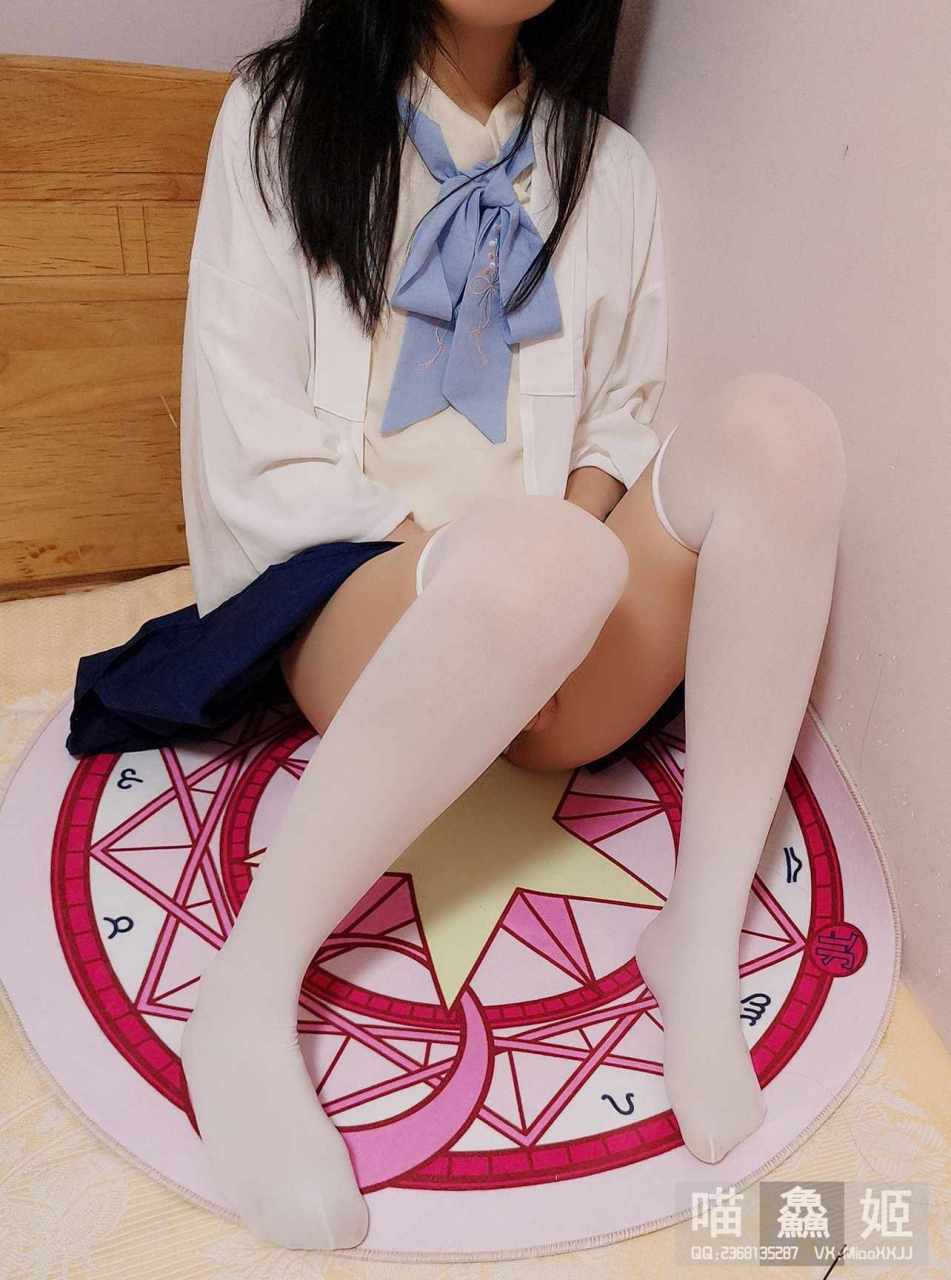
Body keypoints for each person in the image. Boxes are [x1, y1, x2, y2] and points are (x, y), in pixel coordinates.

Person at [65, 0, 847, 1253]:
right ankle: (244, 995)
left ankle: (696, 938)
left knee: (782, 436)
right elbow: (248, 434)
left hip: (559, 607)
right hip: (362, 593)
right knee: (535, 561)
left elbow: (623, 413)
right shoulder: (279, 115)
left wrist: (567, 575)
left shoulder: (610, 168)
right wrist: (489, 575)